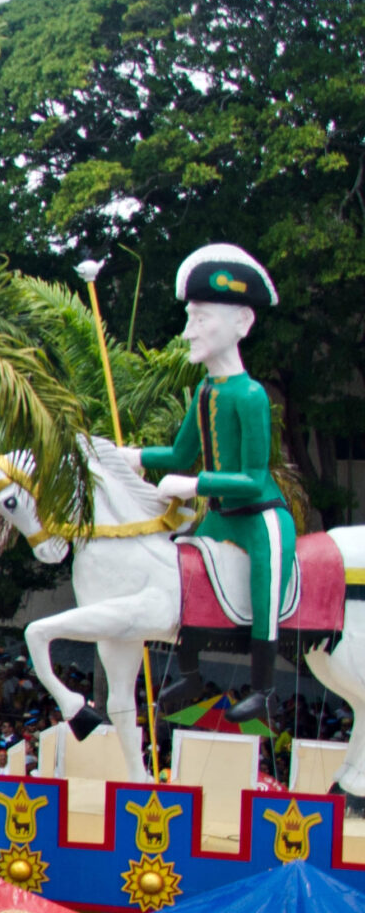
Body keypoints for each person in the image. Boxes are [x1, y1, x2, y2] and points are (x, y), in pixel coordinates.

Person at [127, 243, 289, 727]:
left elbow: (253, 478)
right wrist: (132, 456)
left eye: (200, 319)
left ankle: (264, 689)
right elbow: (179, 454)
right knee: (180, 568)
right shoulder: (205, 391)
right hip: (218, 518)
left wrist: (192, 483)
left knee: (265, 585)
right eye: (190, 318)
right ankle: (191, 671)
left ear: (242, 322)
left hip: (258, 517)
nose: (188, 331)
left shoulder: (251, 395)